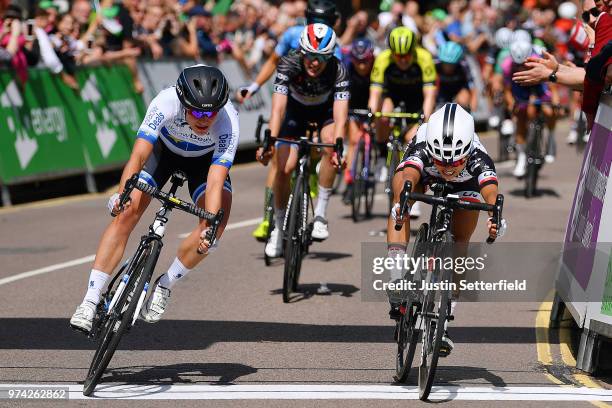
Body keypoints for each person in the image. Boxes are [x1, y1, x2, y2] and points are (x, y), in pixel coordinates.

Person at [70, 65, 238, 332]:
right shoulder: (165, 101)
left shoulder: (228, 121)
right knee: (127, 212)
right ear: (183, 102)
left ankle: (165, 285)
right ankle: (89, 302)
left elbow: (216, 180)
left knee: (215, 224)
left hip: (203, 163)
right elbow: (138, 155)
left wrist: (210, 227)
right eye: (197, 111)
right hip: (163, 153)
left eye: (211, 112)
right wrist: (122, 193)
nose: (205, 118)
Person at [388, 103, 507, 356]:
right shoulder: (422, 144)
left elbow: (490, 189)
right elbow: (409, 174)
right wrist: (404, 200)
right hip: (424, 173)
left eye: (455, 162)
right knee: (402, 197)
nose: (449, 168)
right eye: (442, 161)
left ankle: (445, 318)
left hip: (465, 185)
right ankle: (396, 275)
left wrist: (494, 216)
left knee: (461, 238)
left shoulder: (478, 156)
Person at [244, 0, 340, 242]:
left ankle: (312, 173)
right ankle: (271, 218)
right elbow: (276, 64)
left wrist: (255, 86)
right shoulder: (304, 38)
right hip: (294, 96)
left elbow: (335, 90)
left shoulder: (316, 41)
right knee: (283, 159)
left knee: (306, 151)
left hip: (317, 103)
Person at [256, 23, 348, 258]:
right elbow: (277, 110)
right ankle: (277, 227)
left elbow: (340, 115)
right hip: (294, 114)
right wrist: (269, 142)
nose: (314, 62)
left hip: (324, 113)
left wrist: (338, 146)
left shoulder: (338, 69)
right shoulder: (288, 63)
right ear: (301, 52)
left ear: (330, 56)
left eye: (321, 57)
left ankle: (320, 214)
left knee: (330, 145)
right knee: (284, 166)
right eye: (309, 55)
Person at [368, 26, 437, 218]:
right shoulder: (383, 59)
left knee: (412, 138)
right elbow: (375, 93)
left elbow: (430, 94)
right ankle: (382, 156)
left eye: (406, 55)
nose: (403, 59)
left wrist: (425, 118)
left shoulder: (424, 58)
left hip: (416, 101)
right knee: (382, 115)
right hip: (393, 96)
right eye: (398, 56)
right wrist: (372, 113)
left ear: (413, 50)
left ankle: (411, 195)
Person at [502, 40, 557, 178]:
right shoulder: (507, 65)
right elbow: (507, 90)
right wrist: (511, 104)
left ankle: (550, 139)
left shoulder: (539, 60)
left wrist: (555, 104)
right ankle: (521, 157)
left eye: (524, 64)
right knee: (521, 116)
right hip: (520, 88)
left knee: (549, 111)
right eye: (517, 64)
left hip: (539, 86)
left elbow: (552, 86)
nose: (520, 67)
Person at [341, 37, 375, 205]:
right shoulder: (347, 67)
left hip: (371, 104)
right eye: (358, 61)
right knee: (354, 141)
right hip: (353, 105)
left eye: (365, 61)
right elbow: (342, 94)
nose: (361, 66)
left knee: (371, 137)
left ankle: (371, 168)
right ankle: (350, 182)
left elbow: (379, 93)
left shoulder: (376, 67)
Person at [435, 41, 477, 112]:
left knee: (463, 98)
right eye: (445, 63)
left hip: (458, 92)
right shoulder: (434, 64)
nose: (447, 67)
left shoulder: (464, 66)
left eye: (451, 65)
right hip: (440, 92)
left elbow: (473, 90)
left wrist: (472, 114)